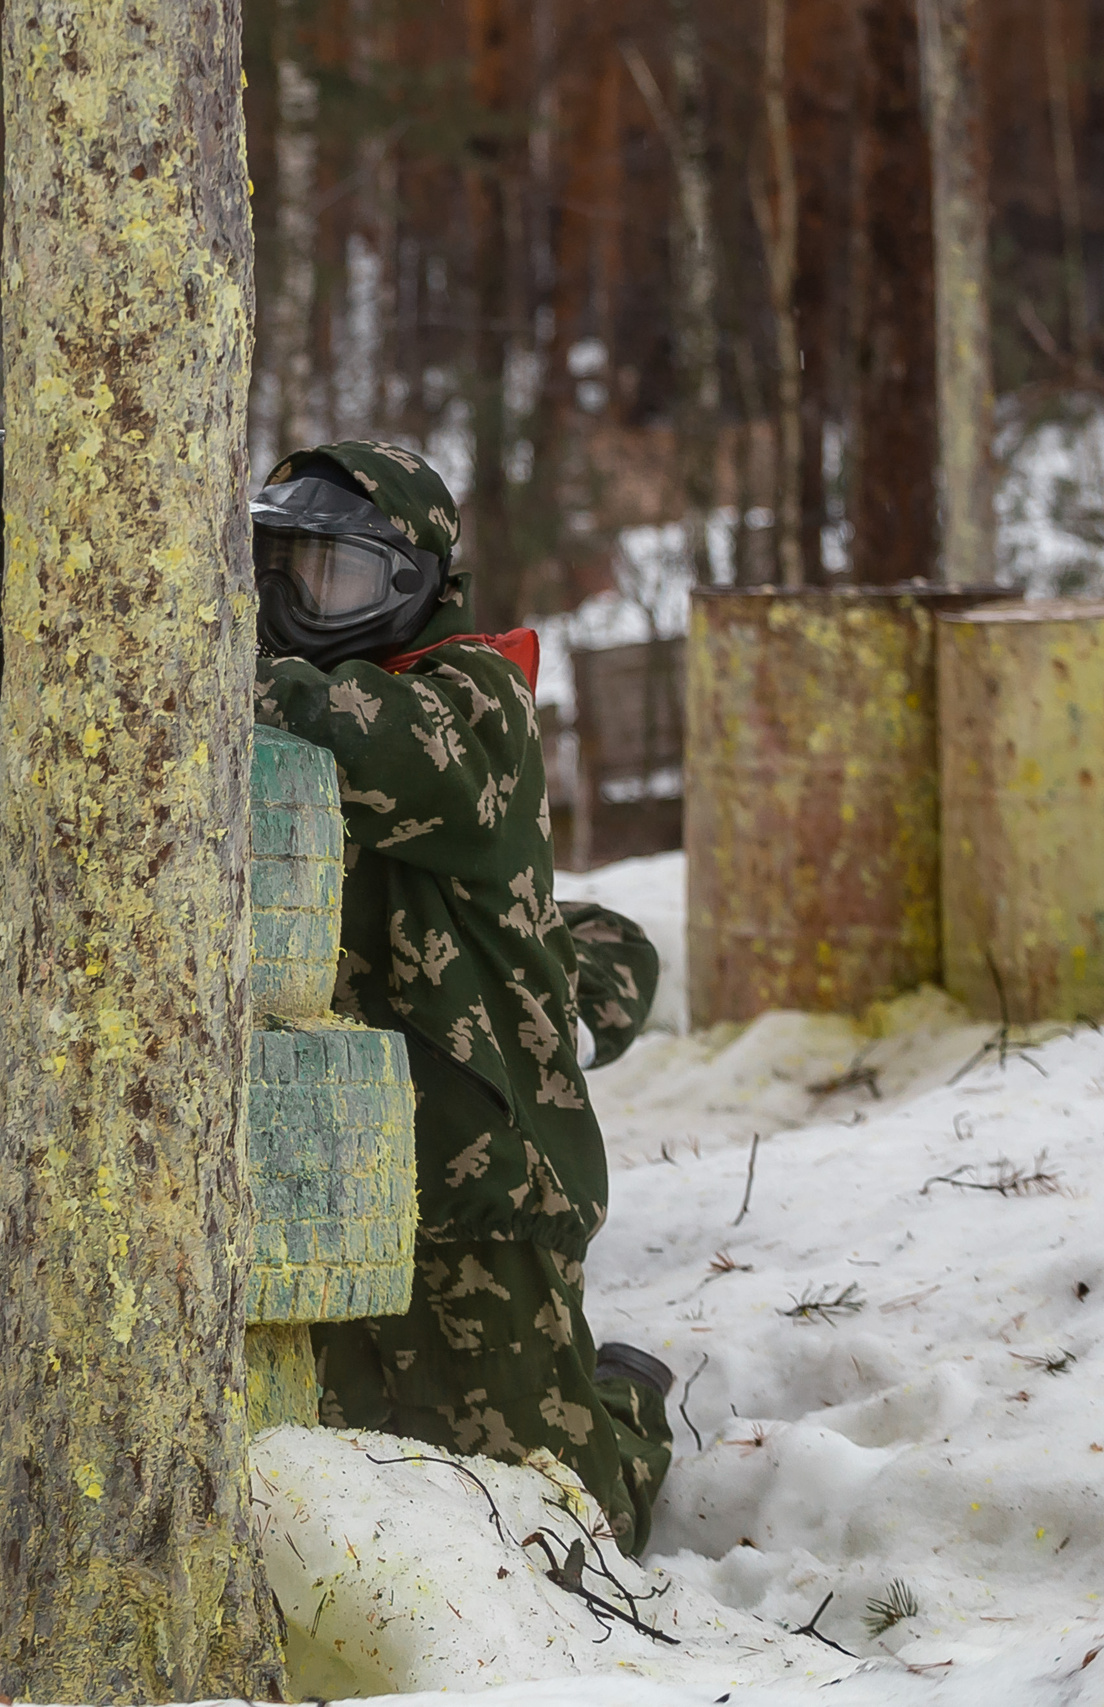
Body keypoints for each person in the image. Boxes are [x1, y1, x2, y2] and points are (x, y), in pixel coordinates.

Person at [249, 438, 676, 1551]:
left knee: (560, 1516)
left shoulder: (473, 697)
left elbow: (384, 754)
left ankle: (624, 1405)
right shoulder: (282, 702)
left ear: (413, 586)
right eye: (281, 566)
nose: (298, 599)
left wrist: (198, 660)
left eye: (329, 574)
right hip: (332, 1162)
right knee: (354, 1494)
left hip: (484, 1177)